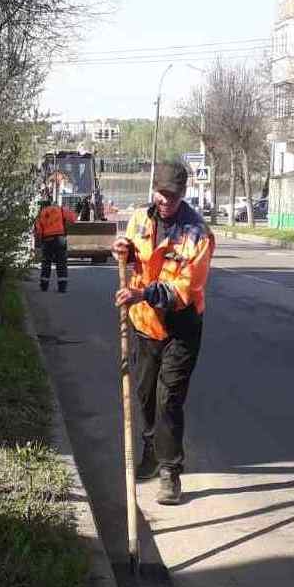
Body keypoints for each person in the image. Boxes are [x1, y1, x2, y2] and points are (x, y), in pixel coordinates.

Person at [112, 160, 215, 505]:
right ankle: (152, 451)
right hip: (144, 323)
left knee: (168, 397)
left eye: (172, 196)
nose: (165, 200)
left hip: (181, 326)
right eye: (160, 193)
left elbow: (183, 291)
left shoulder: (197, 234)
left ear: (183, 195)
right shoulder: (141, 218)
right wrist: (122, 252)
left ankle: (170, 472)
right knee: (144, 394)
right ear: (153, 189)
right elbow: (131, 252)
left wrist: (142, 293)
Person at [34, 196, 77, 293]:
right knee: (61, 263)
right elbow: (73, 219)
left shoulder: (42, 212)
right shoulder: (61, 210)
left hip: (47, 239)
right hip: (60, 238)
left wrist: (40, 240)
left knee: (46, 263)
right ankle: (62, 287)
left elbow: (38, 229)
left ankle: (44, 286)